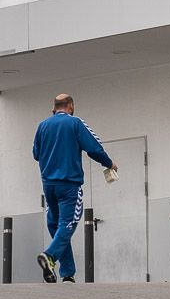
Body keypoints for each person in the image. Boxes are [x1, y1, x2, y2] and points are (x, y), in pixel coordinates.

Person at [32, 93, 116, 283]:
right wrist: (109, 164)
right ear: (70, 105)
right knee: (67, 224)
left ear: (54, 107)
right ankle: (50, 256)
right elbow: (94, 147)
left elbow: (36, 154)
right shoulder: (75, 123)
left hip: (48, 185)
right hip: (69, 185)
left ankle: (67, 273)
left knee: (55, 224)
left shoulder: (42, 126)